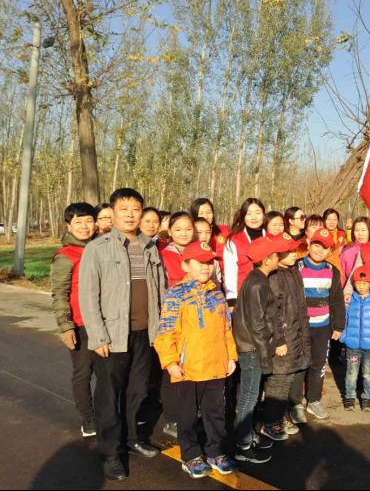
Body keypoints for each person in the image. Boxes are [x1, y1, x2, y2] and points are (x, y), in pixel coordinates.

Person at [79, 188, 166, 481]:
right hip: (113, 335)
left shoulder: (150, 247)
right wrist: (98, 336)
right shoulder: (98, 248)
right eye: (124, 209)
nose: (130, 215)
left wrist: (161, 329)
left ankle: (132, 439)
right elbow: (88, 296)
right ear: (113, 213)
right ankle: (110, 453)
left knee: (137, 391)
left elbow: (160, 290)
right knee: (108, 396)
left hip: (144, 333)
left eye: (135, 209)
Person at [154, 242, 238, 479]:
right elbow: (166, 332)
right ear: (185, 266)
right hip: (187, 368)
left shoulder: (217, 294)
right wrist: (171, 362)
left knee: (216, 413)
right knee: (187, 416)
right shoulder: (176, 294)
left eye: (209, 262)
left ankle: (215, 452)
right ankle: (190, 455)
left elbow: (226, 329)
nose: (206, 267)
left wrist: (231, 356)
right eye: (200, 262)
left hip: (216, 366)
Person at [232, 237, 282, 464]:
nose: (278, 257)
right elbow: (258, 324)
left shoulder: (257, 279)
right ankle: (242, 446)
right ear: (267, 259)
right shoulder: (257, 284)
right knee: (248, 398)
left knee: (250, 395)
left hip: (252, 346)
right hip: (252, 348)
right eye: (275, 255)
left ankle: (247, 436)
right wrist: (264, 355)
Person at [51, 202, 97, 437]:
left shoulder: (100, 249)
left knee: (107, 374)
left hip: (104, 322)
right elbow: (59, 293)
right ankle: (88, 419)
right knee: (83, 372)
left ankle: (106, 413)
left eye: (89, 221)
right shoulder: (65, 256)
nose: (84, 226)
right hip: (80, 324)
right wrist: (65, 326)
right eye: (78, 222)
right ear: (69, 226)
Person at [262, 233, 311, 440]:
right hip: (283, 339)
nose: (294, 254)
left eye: (294, 250)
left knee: (288, 378)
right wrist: (279, 340)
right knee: (278, 382)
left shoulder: (293, 271)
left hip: (295, 334)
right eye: (288, 251)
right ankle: (270, 422)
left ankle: (279, 417)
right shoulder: (274, 277)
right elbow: (272, 313)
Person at [293, 227, 346, 421]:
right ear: (309, 244)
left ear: (330, 250)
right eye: (316, 245)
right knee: (299, 365)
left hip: (322, 327)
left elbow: (337, 300)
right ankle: (295, 403)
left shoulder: (332, 271)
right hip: (299, 326)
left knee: (318, 364)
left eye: (324, 247)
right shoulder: (296, 267)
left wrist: (338, 325)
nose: (319, 250)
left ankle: (314, 400)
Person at [340, 266, 370, 412]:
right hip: (352, 346)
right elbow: (343, 319)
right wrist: (344, 337)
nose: (361, 286)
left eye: (364, 283)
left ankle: (367, 398)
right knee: (351, 373)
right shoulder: (349, 301)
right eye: (358, 283)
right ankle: (349, 397)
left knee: (368, 374)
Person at [223, 198, 266, 306]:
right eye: (249, 214)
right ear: (243, 216)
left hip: (270, 295)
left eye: (258, 213)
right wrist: (232, 299)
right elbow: (230, 272)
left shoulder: (270, 237)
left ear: (263, 214)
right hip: (245, 296)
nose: (254, 217)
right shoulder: (234, 240)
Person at [191, 198, 232, 270]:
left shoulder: (224, 230)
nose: (206, 216)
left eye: (209, 212)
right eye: (201, 213)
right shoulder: (191, 234)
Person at [160, 212, 195, 288]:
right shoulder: (163, 256)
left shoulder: (199, 252)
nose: (184, 234)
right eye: (178, 230)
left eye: (188, 229)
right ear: (169, 232)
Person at [339, 216, 370, 287]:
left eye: (363, 230)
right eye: (357, 230)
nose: (360, 234)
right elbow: (342, 278)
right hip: (351, 290)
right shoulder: (346, 253)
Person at [323, 208, 346, 274]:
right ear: (324, 220)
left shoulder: (343, 234)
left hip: (340, 265)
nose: (332, 222)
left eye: (334, 219)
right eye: (329, 219)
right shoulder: (320, 234)